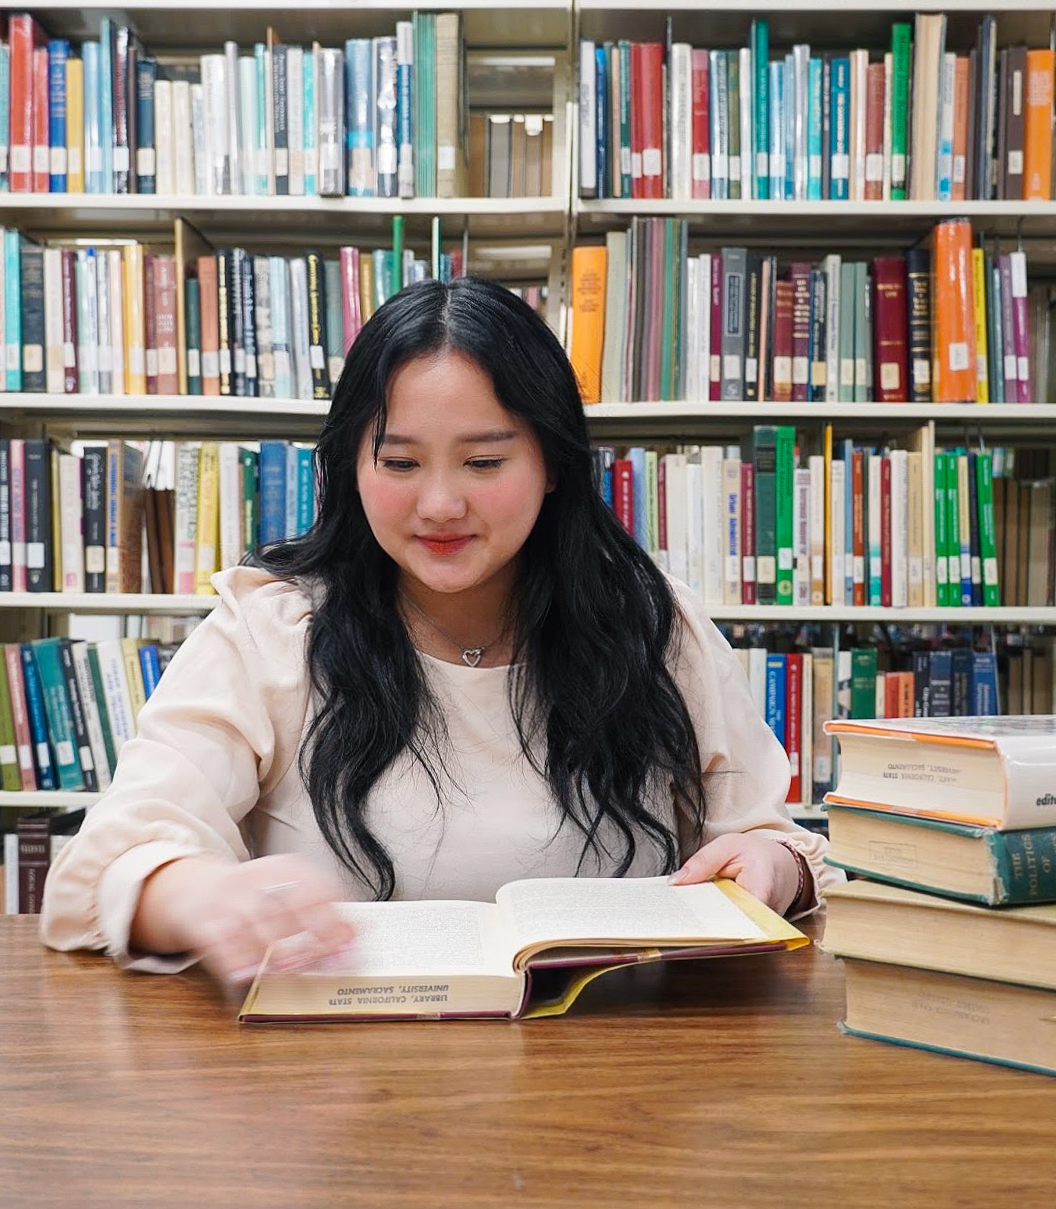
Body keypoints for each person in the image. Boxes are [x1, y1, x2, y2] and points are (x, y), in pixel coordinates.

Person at [42, 276, 841, 981]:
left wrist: (774, 867)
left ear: (552, 462)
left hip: (616, 1082)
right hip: (340, 1093)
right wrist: (199, 895)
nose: (439, 506)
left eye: (484, 462)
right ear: (351, 468)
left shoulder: (652, 623)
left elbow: (784, 849)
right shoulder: (273, 627)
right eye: (399, 463)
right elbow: (103, 869)